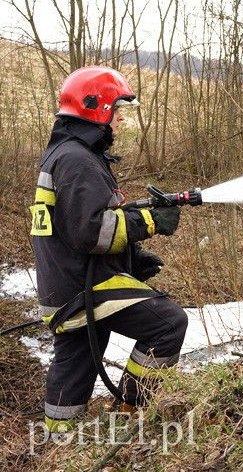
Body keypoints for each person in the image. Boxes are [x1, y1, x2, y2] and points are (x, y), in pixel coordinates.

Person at [30, 66, 188, 433]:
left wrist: (130, 259)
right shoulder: (77, 160)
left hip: (63, 285)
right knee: (168, 325)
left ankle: (56, 439)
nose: (120, 120)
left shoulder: (66, 154)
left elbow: (77, 226)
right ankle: (134, 411)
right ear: (95, 109)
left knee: (77, 357)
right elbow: (92, 233)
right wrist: (148, 224)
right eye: (116, 110)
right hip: (84, 286)